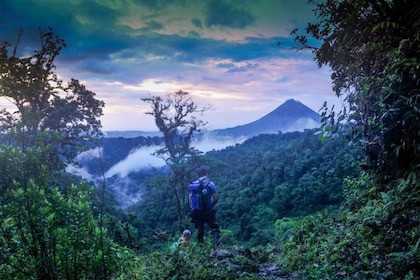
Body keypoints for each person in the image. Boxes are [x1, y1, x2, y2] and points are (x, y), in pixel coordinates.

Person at [189, 168, 221, 246]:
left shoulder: (193, 185)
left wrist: (194, 209)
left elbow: (190, 200)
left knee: (200, 229)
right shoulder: (210, 183)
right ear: (206, 174)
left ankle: (201, 247)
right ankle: (218, 244)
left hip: (196, 211)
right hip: (207, 210)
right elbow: (216, 198)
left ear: (197, 175)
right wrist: (210, 206)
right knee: (214, 226)